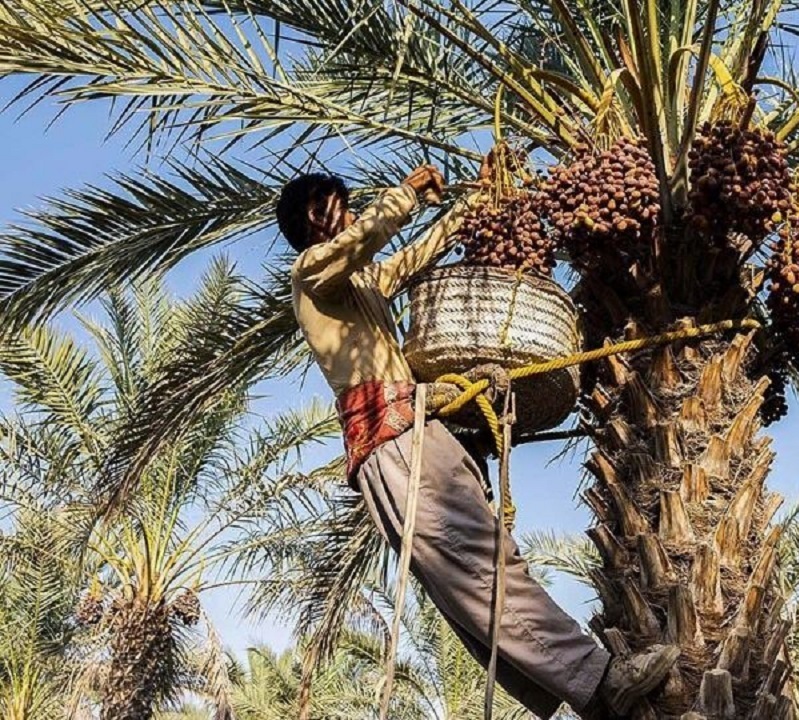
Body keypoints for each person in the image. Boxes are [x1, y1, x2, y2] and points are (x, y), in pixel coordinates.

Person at [278, 165, 680, 719]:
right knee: (479, 570)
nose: (347, 214)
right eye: (337, 208)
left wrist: (473, 207)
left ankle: (585, 693)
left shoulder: (360, 287)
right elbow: (363, 240)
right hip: (395, 443)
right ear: (316, 219)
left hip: (416, 433)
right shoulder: (311, 274)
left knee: (485, 568)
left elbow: (411, 258)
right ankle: (599, 681)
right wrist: (406, 195)